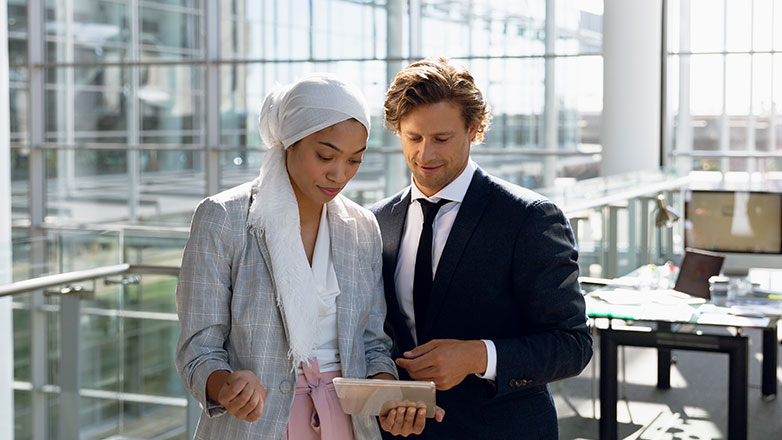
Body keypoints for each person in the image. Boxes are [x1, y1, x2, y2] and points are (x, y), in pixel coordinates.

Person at [175, 73, 439, 439]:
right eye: (325, 155)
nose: (339, 174)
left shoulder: (361, 227)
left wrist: (389, 396)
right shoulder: (223, 217)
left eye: (354, 161)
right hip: (256, 424)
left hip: (348, 423)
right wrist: (227, 386)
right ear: (290, 143)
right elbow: (198, 348)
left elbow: (372, 343)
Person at [371, 57, 593, 439]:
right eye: (413, 138)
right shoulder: (375, 222)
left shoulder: (530, 218)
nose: (426, 155)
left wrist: (478, 356)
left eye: (442, 139)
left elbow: (572, 344)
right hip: (405, 433)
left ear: (473, 130)